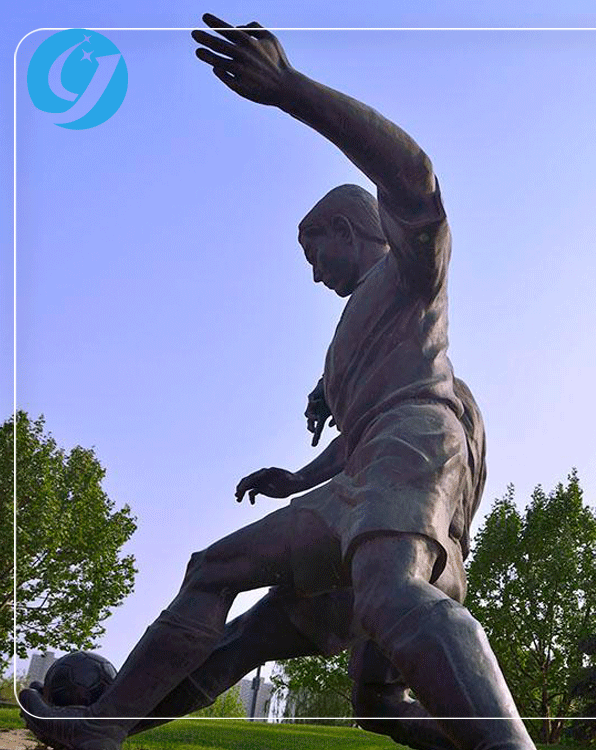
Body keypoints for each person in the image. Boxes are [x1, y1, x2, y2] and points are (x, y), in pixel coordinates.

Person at [20, 15, 537, 750]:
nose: (315, 272)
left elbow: (415, 178)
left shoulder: (411, 273)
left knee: (390, 593)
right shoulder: (355, 335)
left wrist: (289, 89)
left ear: (351, 229)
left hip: (410, 458)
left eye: (315, 251)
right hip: (362, 482)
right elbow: (364, 436)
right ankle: (101, 729)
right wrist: (300, 475)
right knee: (224, 580)